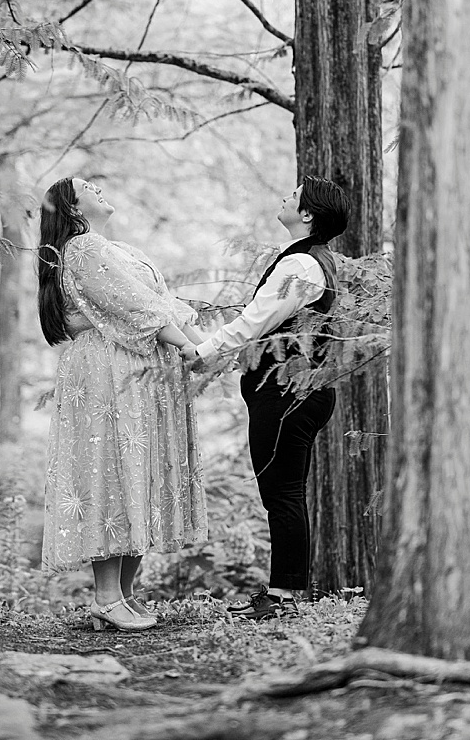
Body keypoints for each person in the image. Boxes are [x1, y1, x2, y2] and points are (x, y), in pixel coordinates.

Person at [36, 177, 208, 632]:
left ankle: (125, 597)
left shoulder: (117, 248)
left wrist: (199, 343)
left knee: (140, 472)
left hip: (140, 368)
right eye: (88, 186)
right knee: (113, 469)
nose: (101, 189)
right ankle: (106, 597)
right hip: (109, 369)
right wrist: (192, 349)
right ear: (71, 206)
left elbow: (159, 303)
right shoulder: (82, 248)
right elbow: (134, 308)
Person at [193, 179, 348, 621]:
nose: (286, 195)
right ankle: (284, 592)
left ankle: (282, 597)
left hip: (288, 393)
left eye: (295, 194)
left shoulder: (301, 264)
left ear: (308, 214)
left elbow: (256, 321)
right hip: (296, 391)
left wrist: (203, 354)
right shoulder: (311, 260)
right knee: (285, 493)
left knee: (281, 494)